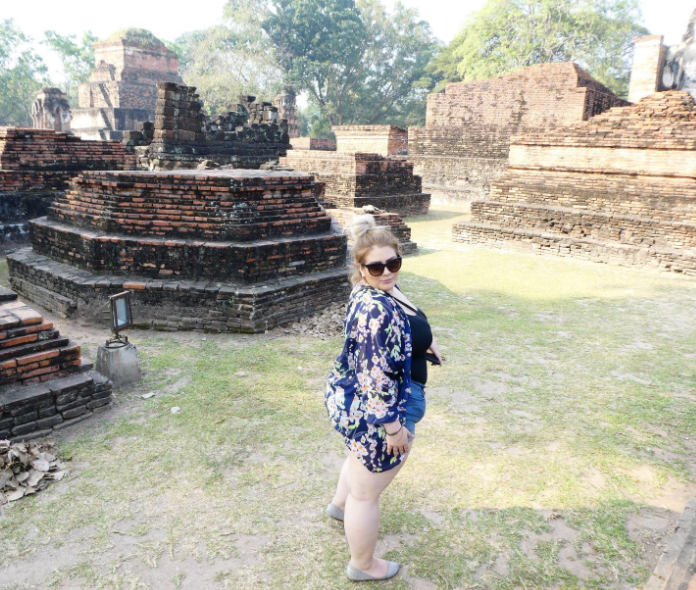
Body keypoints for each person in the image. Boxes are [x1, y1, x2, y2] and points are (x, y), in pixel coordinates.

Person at [324, 215, 443, 581]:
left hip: (353, 403)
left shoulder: (378, 292)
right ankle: (362, 564)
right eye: (376, 267)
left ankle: (340, 507)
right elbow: (374, 378)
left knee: (356, 467)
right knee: (367, 491)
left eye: (393, 263)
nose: (387, 272)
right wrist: (393, 429)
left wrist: (423, 343)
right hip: (382, 411)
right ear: (361, 269)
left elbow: (404, 321)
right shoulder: (375, 310)